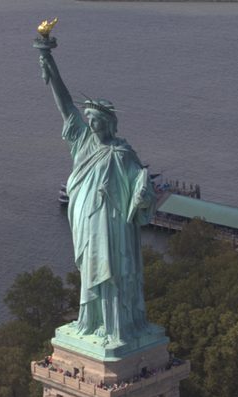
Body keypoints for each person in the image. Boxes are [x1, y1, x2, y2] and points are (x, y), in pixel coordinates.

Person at [38, 51, 156, 343]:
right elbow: (66, 106)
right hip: (86, 218)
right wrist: (50, 64)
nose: (91, 124)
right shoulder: (81, 140)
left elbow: (140, 183)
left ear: (109, 123)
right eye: (89, 119)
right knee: (91, 266)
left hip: (114, 223)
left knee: (113, 270)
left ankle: (116, 325)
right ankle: (91, 321)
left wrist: (142, 194)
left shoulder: (122, 152)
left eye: (96, 120)